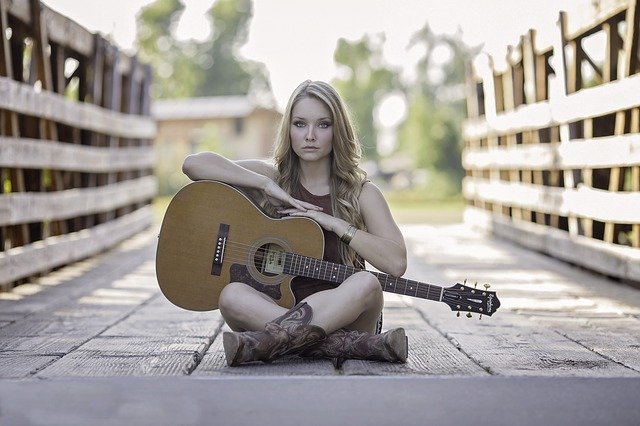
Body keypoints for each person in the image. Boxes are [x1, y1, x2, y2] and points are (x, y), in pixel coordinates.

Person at [182, 80, 408, 367]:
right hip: (278, 310)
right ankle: (343, 346)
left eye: (323, 125)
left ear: (337, 130)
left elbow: (397, 263)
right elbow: (193, 164)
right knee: (231, 295)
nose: (310, 135)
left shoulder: (361, 192)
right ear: (288, 129)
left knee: (366, 283)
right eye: (300, 124)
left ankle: (272, 343)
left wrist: (337, 225)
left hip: (349, 317)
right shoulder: (274, 180)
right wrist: (263, 184)